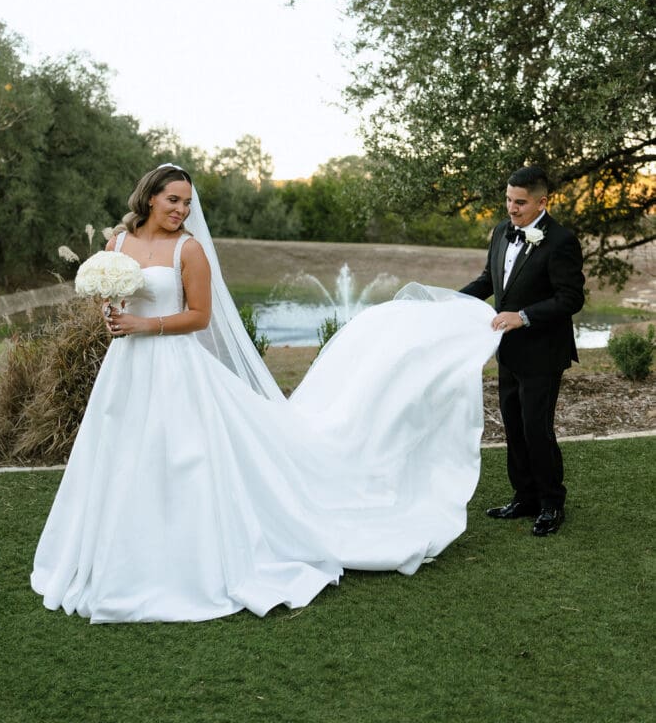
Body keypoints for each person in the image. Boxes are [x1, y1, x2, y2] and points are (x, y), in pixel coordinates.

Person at [32, 165, 499, 623]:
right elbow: (114, 303)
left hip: (175, 366)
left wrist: (144, 324)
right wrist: (113, 316)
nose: (181, 210)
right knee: (120, 453)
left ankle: (188, 557)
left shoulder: (188, 251)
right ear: (150, 196)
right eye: (173, 200)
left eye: (187, 203)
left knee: (183, 457)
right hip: (127, 367)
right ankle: (120, 552)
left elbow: (199, 317)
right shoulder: (117, 245)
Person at [461, 166, 585, 537]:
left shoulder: (562, 240)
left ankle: (551, 504)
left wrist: (525, 316)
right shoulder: (501, 231)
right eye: (508, 200)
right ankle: (524, 497)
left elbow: (571, 298)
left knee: (536, 429)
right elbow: (489, 280)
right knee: (513, 426)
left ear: (542, 202)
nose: (511, 209)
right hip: (509, 351)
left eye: (520, 202)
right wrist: (450, 302)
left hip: (544, 353)